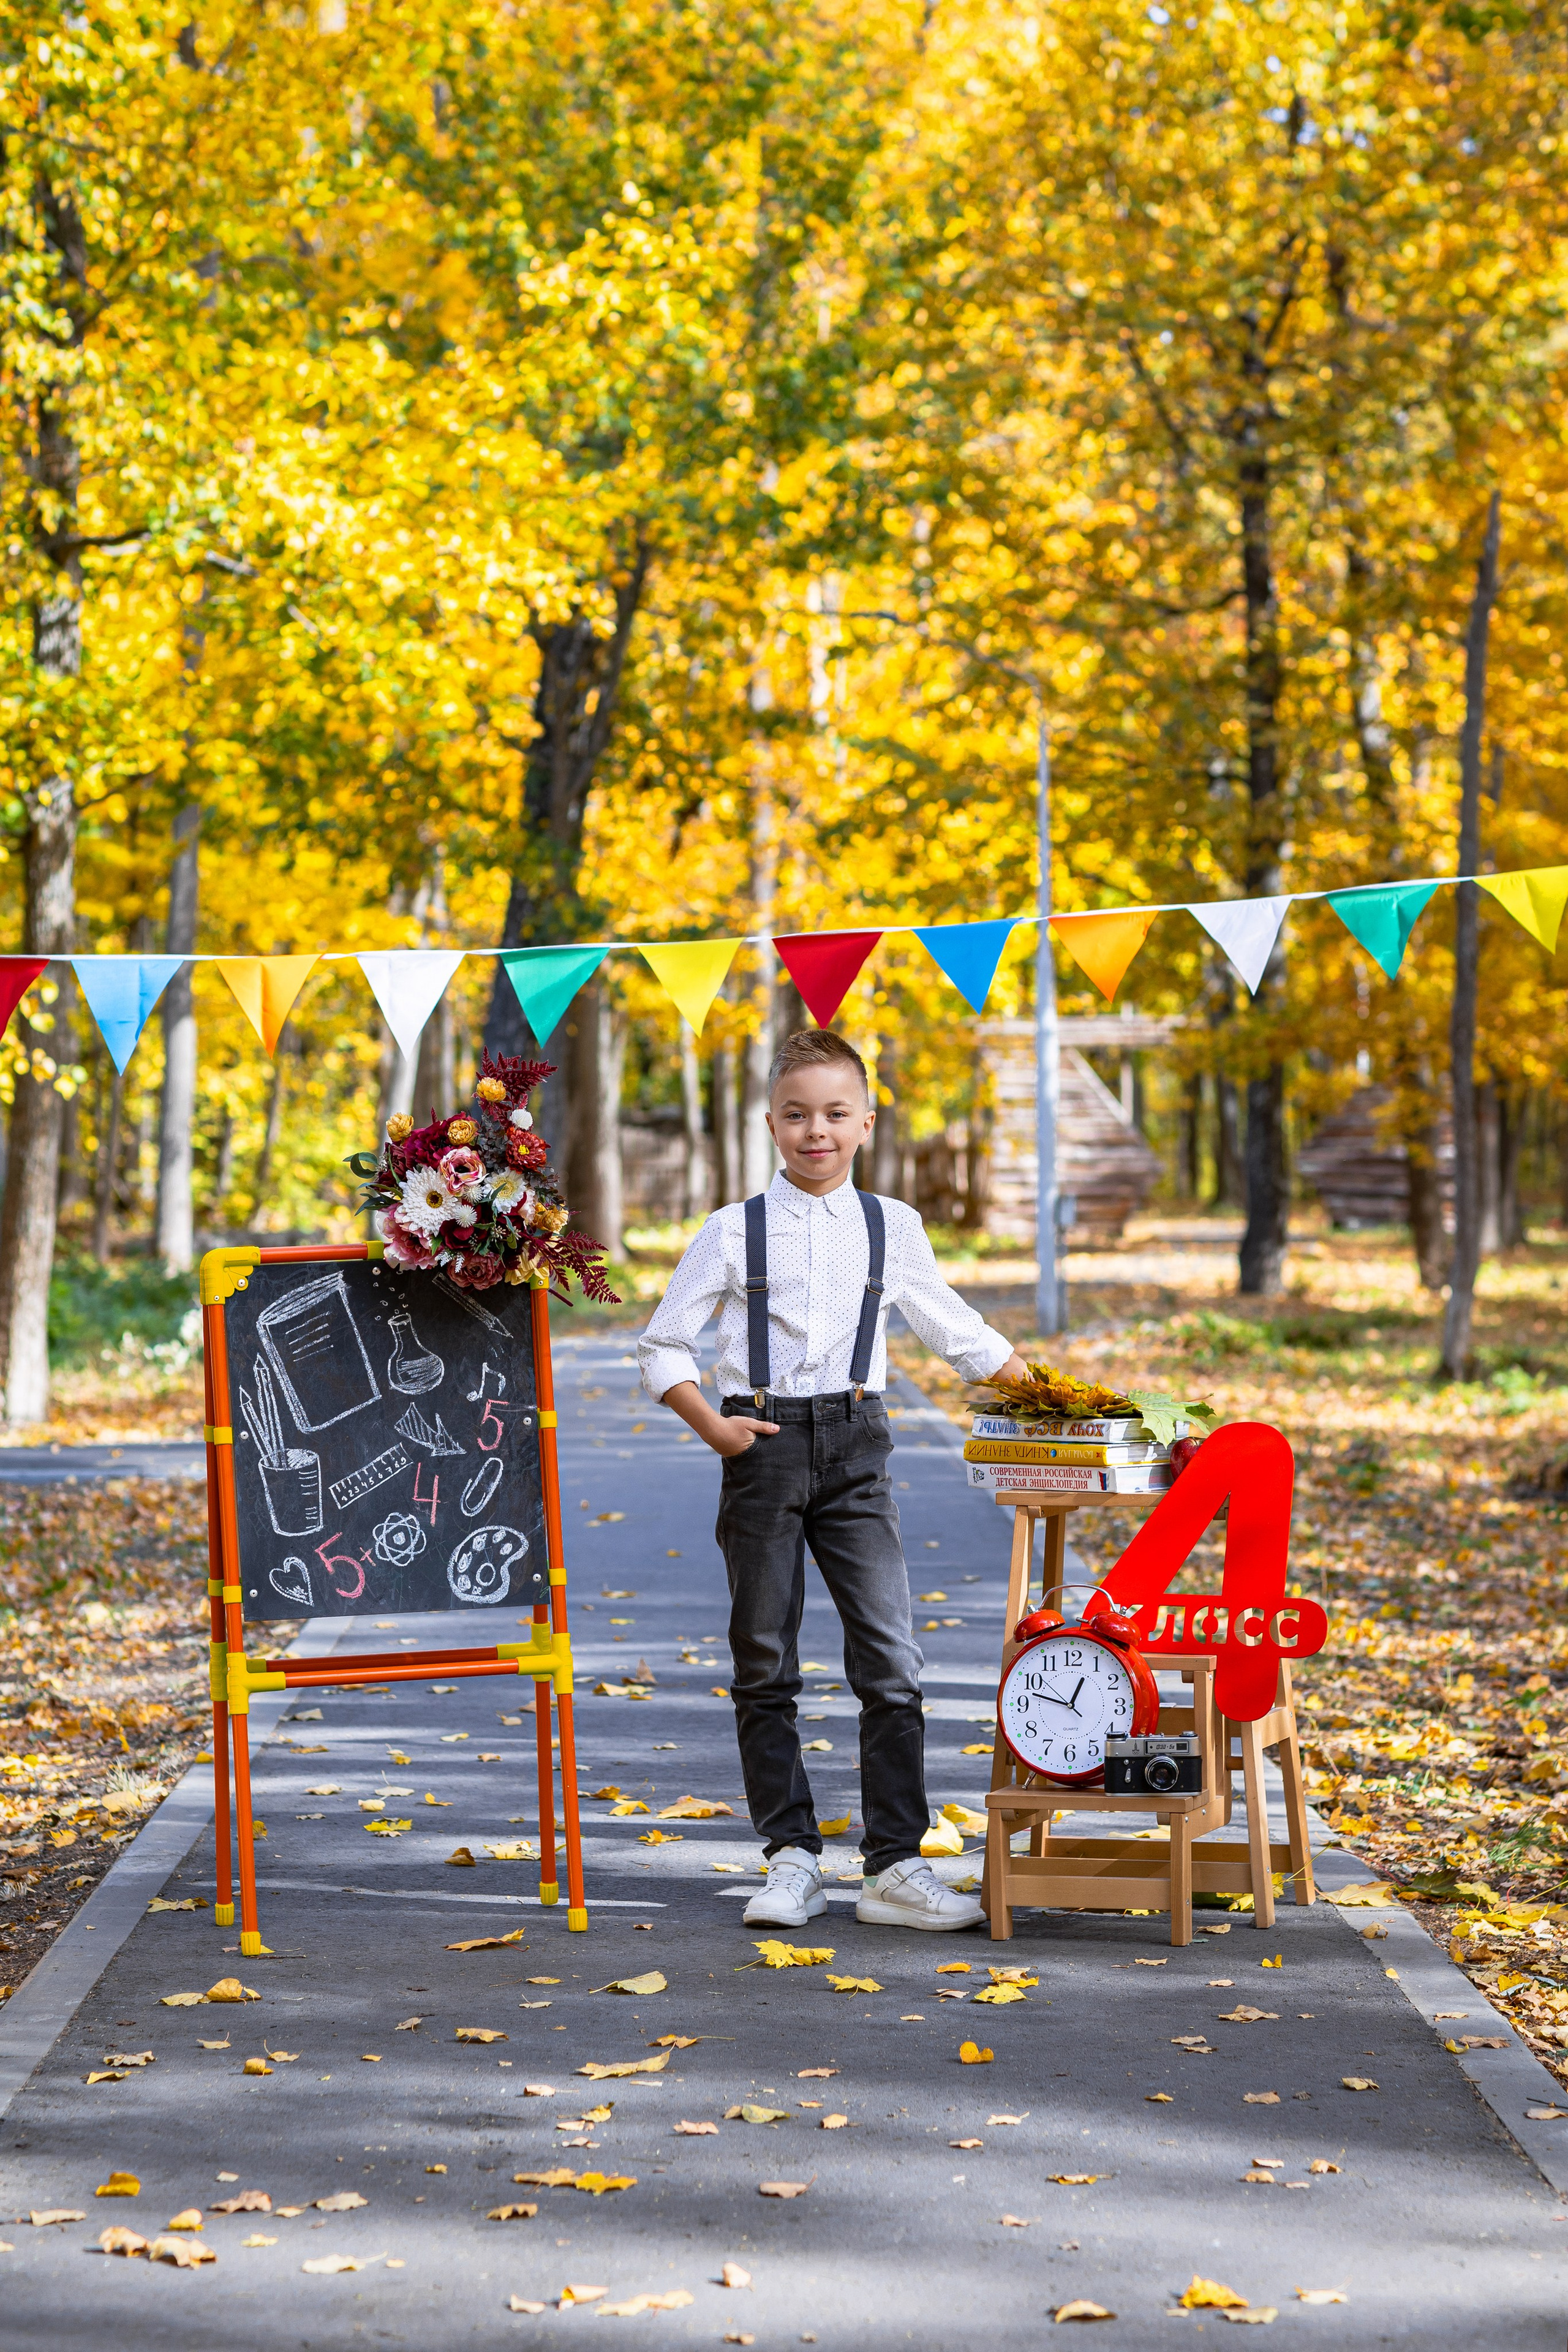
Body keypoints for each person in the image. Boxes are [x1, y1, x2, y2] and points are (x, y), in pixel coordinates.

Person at [638, 1027, 1031, 1932]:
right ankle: (790, 1858)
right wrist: (716, 1429)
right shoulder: (731, 1231)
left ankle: (894, 1865)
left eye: (836, 1114)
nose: (817, 1130)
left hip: (858, 1445)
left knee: (891, 1660)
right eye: (798, 1115)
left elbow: (958, 1332)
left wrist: (1066, 1399)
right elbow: (662, 1344)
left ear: (865, 1120)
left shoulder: (895, 1227)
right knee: (765, 1659)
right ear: (771, 1122)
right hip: (762, 1447)